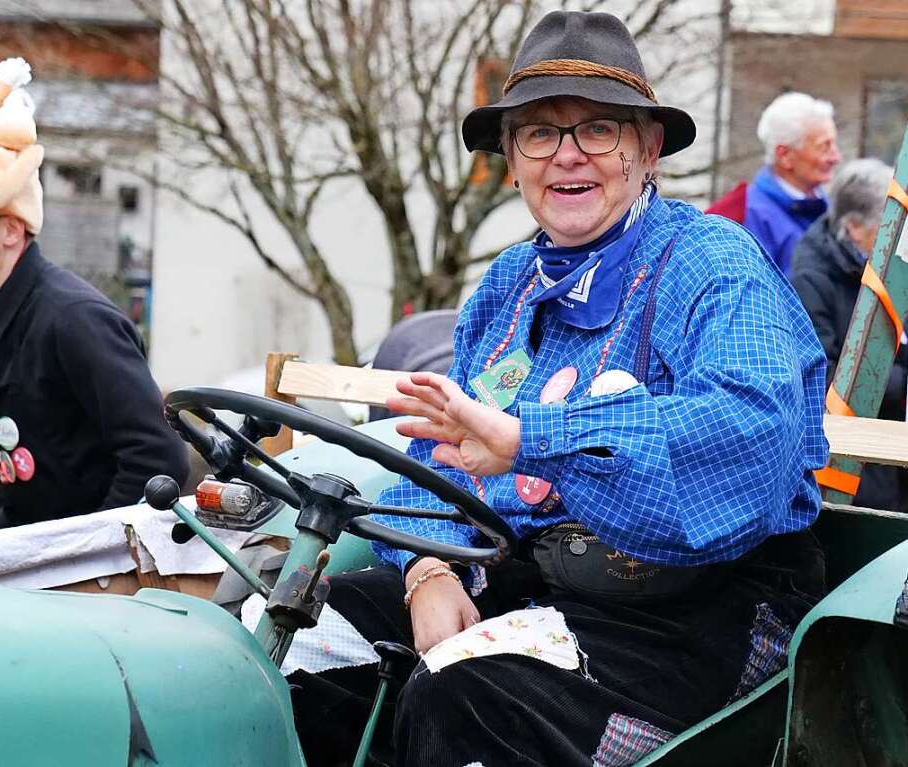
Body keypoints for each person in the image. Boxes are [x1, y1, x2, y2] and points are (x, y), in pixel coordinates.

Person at [287, 11, 828, 767]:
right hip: (539, 578)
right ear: (511, 160)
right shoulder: (507, 287)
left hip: (700, 611)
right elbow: (437, 457)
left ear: (646, 150)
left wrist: (530, 439)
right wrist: (428, 571)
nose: (566, 155)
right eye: (538, 133)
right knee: (303, 637)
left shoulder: (713, 264)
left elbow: (749, 434)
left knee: (464, 697)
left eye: (598, 130)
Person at [0, 57, 188, 534]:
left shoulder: (75, 320)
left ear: (11, 230)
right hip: (39, 556)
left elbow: (158, 459)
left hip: (95, 575)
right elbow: (13, 469)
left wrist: (87, 559)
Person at [790, 158, 906, 512]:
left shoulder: (891, 269)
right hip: (850, 468)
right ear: (855, 228)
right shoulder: (812, 282)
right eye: (890, 229)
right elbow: (822, 379)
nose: (900, 239)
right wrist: (903, 387)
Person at [706, 92, 842, 275]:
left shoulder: (831, 211)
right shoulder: (750, 218)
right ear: (784, 155)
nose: (836, 157)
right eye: (824, 147)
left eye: (834, 145)